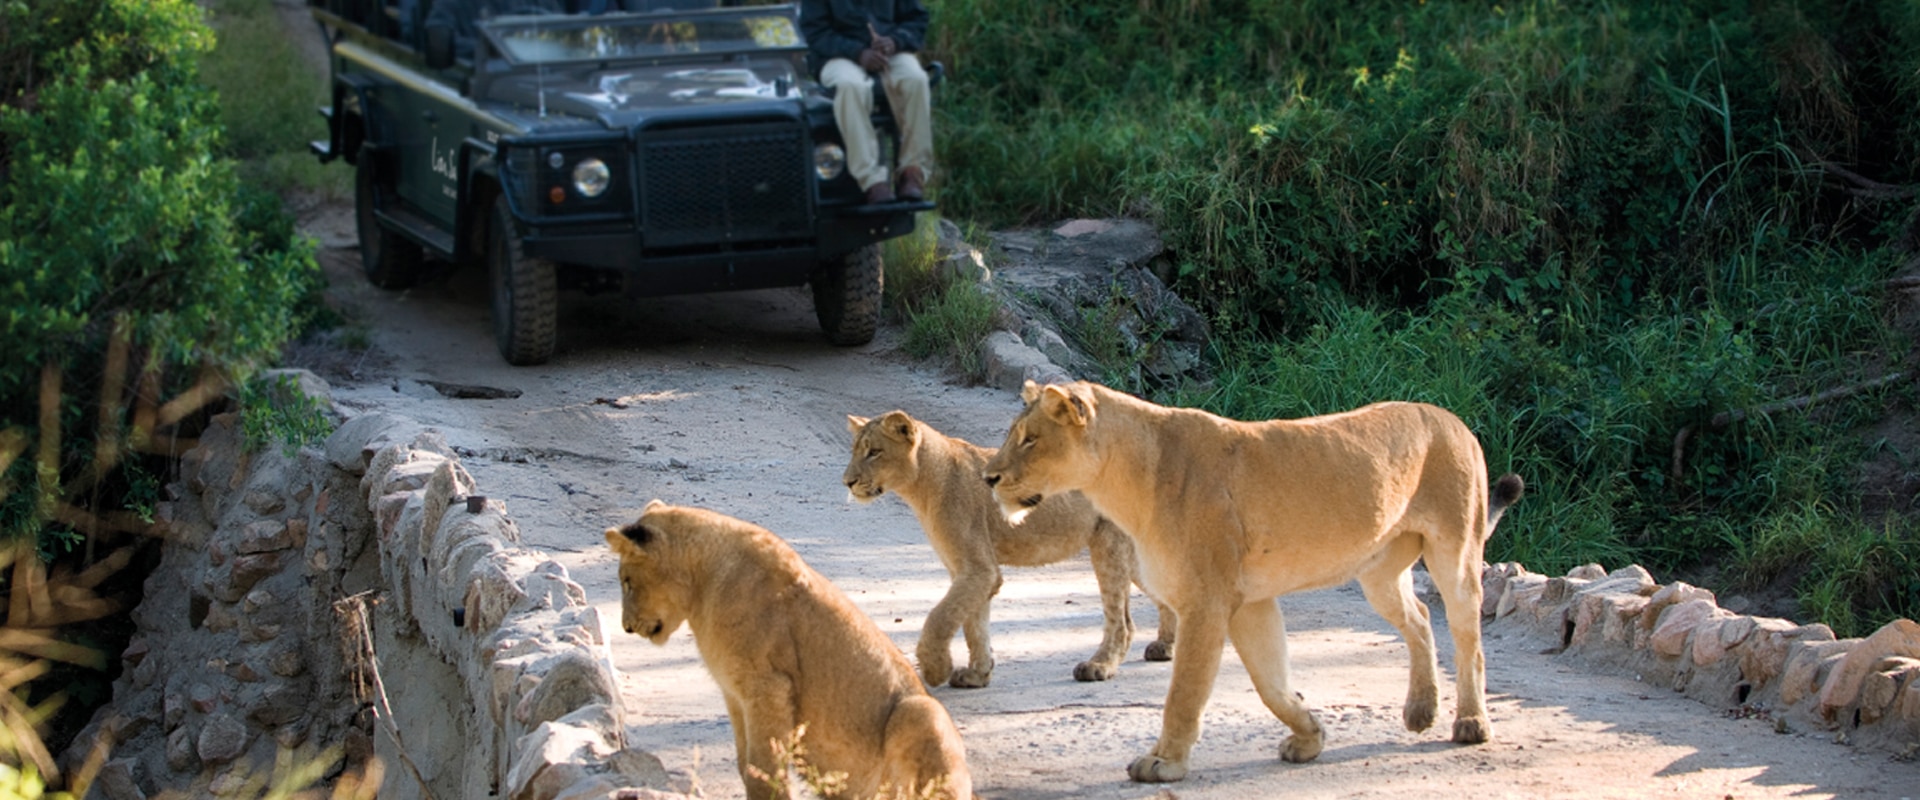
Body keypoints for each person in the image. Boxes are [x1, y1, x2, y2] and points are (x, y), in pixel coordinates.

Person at [800, 0, 934, 204]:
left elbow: (917, 18)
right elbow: (815, 33)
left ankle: (912, 171)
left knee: (916, 79)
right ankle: (871, 179)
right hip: (837, 56)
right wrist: (857, 52)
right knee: (851, 86)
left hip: (890, 52)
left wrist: (895, 41)